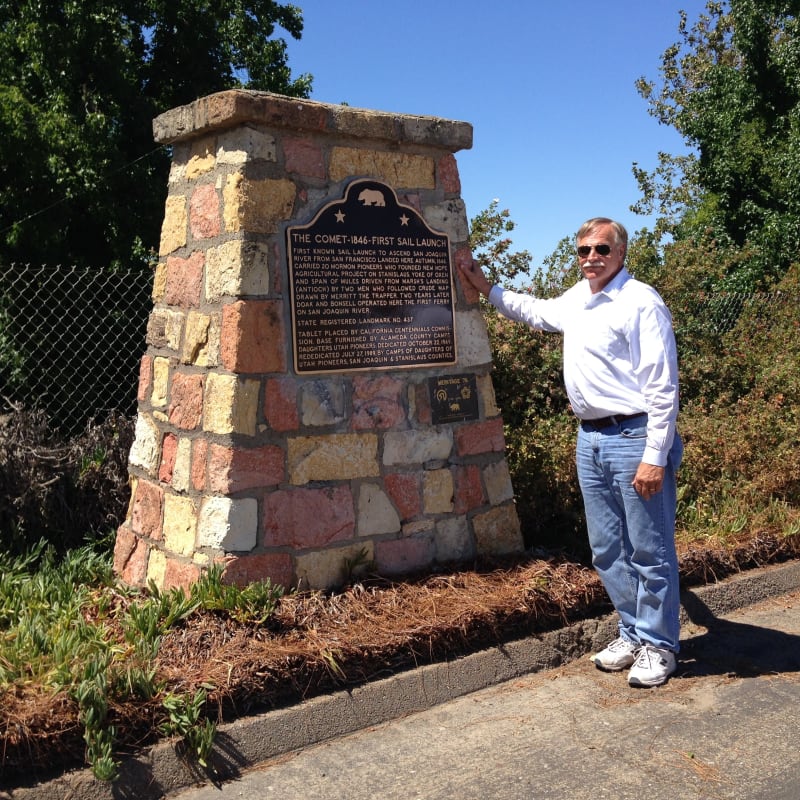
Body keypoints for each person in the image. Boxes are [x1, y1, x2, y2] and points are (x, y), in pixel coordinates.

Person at [458, 217, 682, 687]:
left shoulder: (641, 303)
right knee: (606, 550)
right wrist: (486, 286)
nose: (591, 257)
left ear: (621, 253)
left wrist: (654, 455)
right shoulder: (579, 299)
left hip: (635, 438)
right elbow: (536, 312)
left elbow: (662, 388)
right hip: (592, 441)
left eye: (601, 248)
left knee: (650, 549)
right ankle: (635, 633)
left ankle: (660, 646)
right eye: (583, 250)